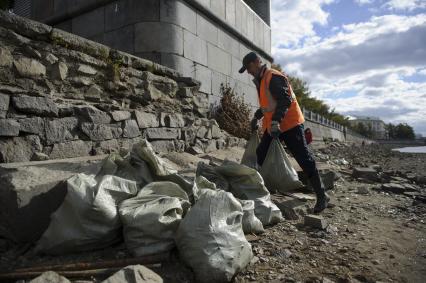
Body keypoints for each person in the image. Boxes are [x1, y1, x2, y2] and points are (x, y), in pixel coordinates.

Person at [239, 52, 329, 213]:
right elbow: (269, 104)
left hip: (290, 124)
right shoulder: (262, 80)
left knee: (304, 159)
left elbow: (285, 100)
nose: (248, 71)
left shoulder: (273, 76)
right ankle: (257, 191)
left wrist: (276, 121)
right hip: (273, 125)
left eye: (249, 67)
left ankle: (322, 195)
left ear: (257, 62)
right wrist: (256, 116)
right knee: (260, 154)